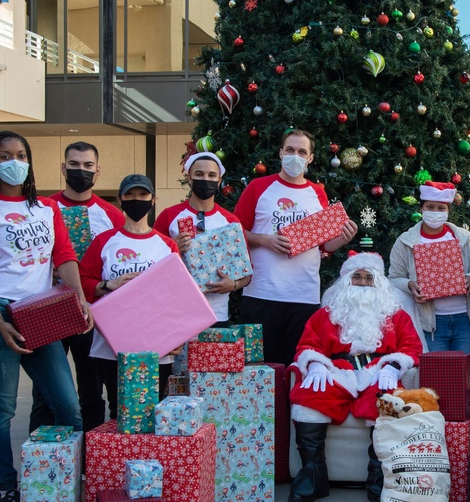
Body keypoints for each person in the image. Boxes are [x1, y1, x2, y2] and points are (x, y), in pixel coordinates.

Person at [0, 131, 90, 502]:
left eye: (20, 154)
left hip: (40, 314)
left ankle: (71, 480)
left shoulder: (47, 210)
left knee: (68, 405)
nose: (14, 161)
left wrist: (79, 296)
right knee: (0, 407)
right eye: (5, 155)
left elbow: (64, 256)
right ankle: (7, 492)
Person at [288, 251, 423, 502]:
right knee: (307, 397)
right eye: (356, 277)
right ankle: (313, 475)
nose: (362, 283)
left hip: (377, 372)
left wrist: (393, 366)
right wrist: (315, 363)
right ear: (346, 281)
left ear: (379, 282)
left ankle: (379, 479)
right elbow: (308, 343)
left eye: (368, 278)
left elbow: (411, 347)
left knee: (389, 402)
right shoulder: (326, 314)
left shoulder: (396, 315)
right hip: (336, 371)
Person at [233, 129, 357, 365]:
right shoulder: (259, 187)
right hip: (262, 292)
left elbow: (325, 245)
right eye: (290, 150)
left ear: (310, 158)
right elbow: (235, 232)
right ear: (280, 153)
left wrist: (343, 238)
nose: (295, 156)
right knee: (260, 368)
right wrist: (264, 240)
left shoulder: (317, 193)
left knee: (297, 366)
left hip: (304, 294)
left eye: (302, 152)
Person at [31, 141, 126, 432]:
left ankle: (89, 458)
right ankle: (43, 459)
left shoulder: (111, 214)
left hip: (90, 314)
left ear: (97, 171)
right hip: (48, 309)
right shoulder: (42, 208)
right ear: (63, 168)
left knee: (91, 390)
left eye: (87, 166)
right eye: (74, 165)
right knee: (44, 392)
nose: (80, 171)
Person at [82, 174, 180, 413]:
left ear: (153, 199)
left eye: (143, 195)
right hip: (111, 345)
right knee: (119, 410)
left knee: (152, 410)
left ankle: (146, 453)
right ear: (120, 200)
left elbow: (178, 296)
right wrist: (109, 285)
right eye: (130, 195)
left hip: (157, 346)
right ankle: (120, 451)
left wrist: (177, 338)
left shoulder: (167, 245)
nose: (137, 200)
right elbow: (82, 281)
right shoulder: (105, 242)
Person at [154, 152, 250, 326]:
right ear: (189, 178)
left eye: (212, 175)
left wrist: (233, 285)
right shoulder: (169, 216)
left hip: (217, 315)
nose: (205, 179)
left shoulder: (230, 221)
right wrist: (172, 247)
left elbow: (246, 272)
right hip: (175, 315)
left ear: (220, 180)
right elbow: (151, 264)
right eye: (199, 174)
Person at [388, 181, 470, 354]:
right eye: (430, 207)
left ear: (448, 211)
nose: (435, 212)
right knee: (436, 378)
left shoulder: (462, 238)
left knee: (461, 376)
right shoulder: (405, 241)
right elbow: (393, 278)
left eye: (441, 208)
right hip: (431, 323)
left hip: (465, 321)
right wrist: (409, 285)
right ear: (422, 208)